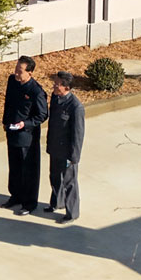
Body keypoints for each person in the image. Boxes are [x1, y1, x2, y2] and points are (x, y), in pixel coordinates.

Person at [2, 56, 49, 214]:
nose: (16, 73)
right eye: (16, 69)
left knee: (28, 170)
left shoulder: (36, 91)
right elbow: (8, 102)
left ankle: (29, 203)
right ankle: (15, 196)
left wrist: (25, 124)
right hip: (12, 132)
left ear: (30, 73)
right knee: (14, 167)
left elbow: (42, 115)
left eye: (20, 71)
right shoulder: (12, 81)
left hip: (26, 137)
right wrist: (5, 122)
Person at [45, 70, 84, 222]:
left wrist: (74, 157)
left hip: (67, 152)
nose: (54, 86)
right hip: (55, 147)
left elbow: (78, 134)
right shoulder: (55, 98)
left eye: (57, 84)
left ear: (66, 87)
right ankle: (56, 202)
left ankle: (72, 213)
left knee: (69, 183)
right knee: (54, 177)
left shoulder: (76, 107)